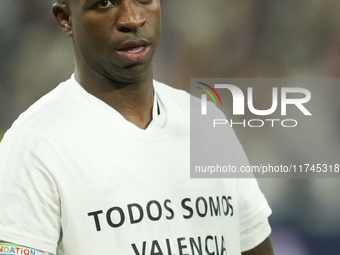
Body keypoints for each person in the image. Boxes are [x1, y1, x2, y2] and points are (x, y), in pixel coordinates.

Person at [0, 0, 274, 254]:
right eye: (105, 2)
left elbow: (253, 243)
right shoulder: (34, 145)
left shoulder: (206, 124)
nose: (132, 18)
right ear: (66, 18)